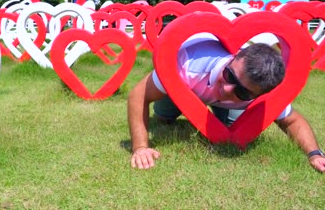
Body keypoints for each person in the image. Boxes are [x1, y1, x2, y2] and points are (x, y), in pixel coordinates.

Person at [127, 36, 325, 172]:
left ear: (259, 94)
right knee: (163, 118)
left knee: (233, 133)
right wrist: (141, 147)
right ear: (234, 57)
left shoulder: (261, 93)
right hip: (183, 88)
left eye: (242, 91)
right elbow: (138, 96)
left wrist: (314, 154)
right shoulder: (188, 64)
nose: (228, 89)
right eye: (230, 75)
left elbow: (292, 120)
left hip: (227, 105)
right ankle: (168, 113)